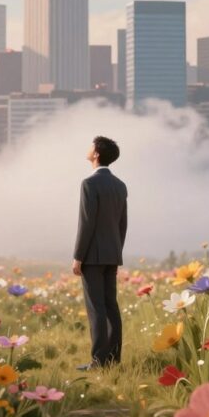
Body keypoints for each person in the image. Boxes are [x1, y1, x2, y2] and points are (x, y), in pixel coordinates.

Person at [72, 135, 127, 370]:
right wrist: (116, 250)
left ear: (96, 154)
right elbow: (122, 224)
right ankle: (113, 359)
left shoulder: (89, 183)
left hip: (92, 256)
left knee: (96, 308)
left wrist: (78, 256)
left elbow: (86, 223)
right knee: (110, 306)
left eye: (90, 146)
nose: (88, 148)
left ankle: (98, 361)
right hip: (112, 254)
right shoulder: (120, 185)